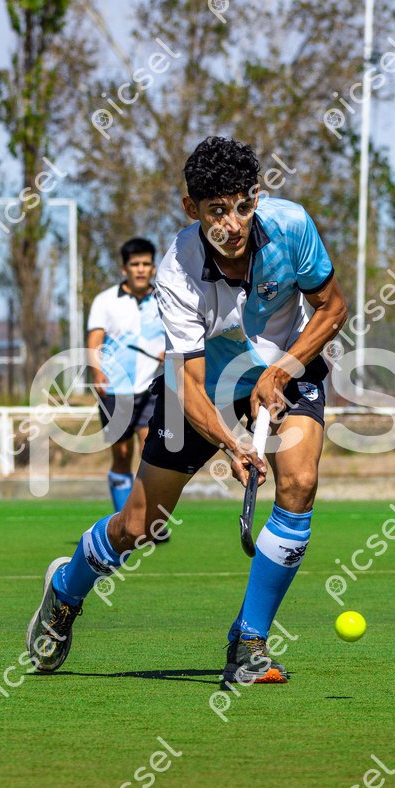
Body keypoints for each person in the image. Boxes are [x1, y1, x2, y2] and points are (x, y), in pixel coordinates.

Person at [26, 136, 348, 684]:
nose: (233, 224)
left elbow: (332, 308)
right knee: (140, 525)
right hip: (209, 385)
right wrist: (233, 443)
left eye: (242, 206)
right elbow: (188, 383)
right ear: (190, 209)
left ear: (256, 198)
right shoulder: (177, 271)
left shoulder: (292, 226)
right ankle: (65, 590)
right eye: (216, 211)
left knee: (299, 482)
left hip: (289, 363)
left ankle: (249, 641)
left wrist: (279, 371)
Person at [86, 237, 165, 512]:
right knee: (121, 455)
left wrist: (170, 352)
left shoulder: (165, 299)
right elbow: (94, 341)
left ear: (153, 268)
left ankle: (146, 518)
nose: (140, 269)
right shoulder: (105, 301)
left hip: (151, 389)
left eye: (145, 264)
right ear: (124, 268)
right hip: (115, 390)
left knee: (150, 452)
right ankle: (123, 519)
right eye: (135, 264)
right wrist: (97, 372)